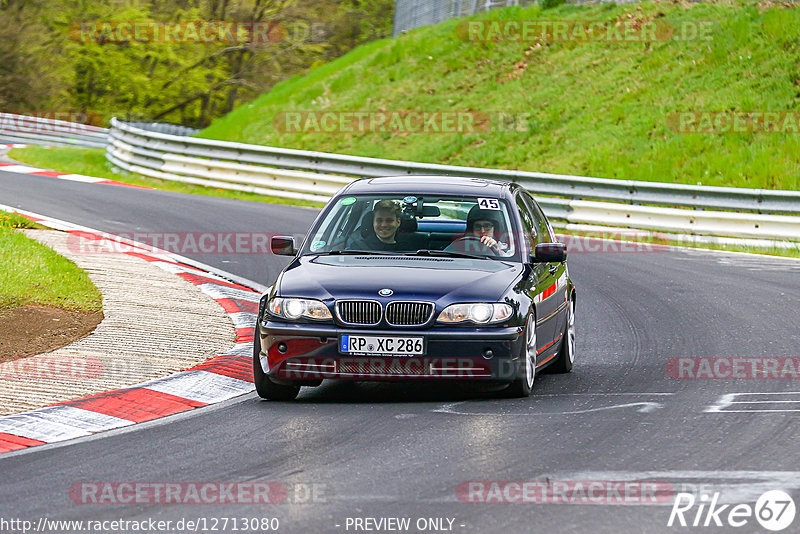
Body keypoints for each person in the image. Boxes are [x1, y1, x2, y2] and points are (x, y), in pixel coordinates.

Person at [445, 205, 510, 255]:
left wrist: (497, 250)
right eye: (477, 226)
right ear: (472, 229)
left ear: (495, 229)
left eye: (487, 226)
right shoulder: (461, 245)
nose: (482, 231)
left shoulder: (507, 249)